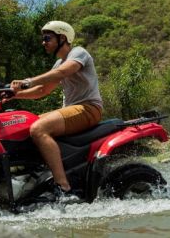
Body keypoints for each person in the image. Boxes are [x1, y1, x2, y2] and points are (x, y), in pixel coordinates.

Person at [10, 21, 103, 195]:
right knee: (24, 124)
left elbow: (63, 72)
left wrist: (27, 81)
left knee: (39, 128)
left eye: (47, 38)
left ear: (62, 37)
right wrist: (13, 95)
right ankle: (33, 175)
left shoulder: (78, 53)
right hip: (73, 110)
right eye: (43, 38)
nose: (43, 42)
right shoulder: (59, 62)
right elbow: (42, 90)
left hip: (89, 108)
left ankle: (63, 186)